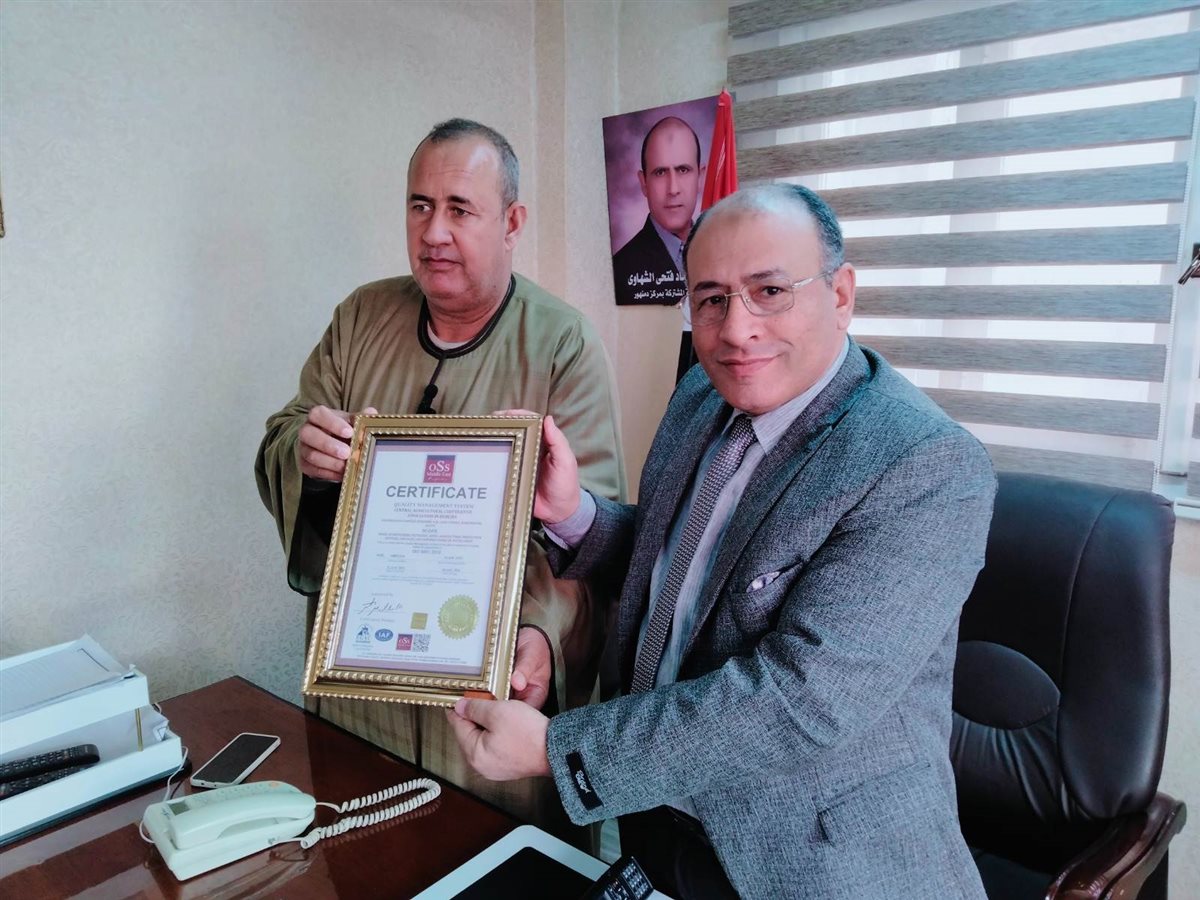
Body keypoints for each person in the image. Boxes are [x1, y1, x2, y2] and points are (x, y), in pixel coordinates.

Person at [448, 183, 995, 898]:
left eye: (769, 291)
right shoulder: (701, 396)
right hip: (658, 827)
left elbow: (799, 702)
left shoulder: (925, 464)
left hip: (808, 864)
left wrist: (561, 750)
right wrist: (574, 513)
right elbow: (681, 568)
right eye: (710, 299)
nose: (736, 330)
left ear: (840, 294)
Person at [254, 118, 626, 840]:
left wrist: (542, 634)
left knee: (487, 864)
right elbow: (288, 430)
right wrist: (305, 451)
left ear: (512, 223)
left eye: (460, 209)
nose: (434, 233)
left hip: (485, 699)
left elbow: (591, 525)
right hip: (364, 686)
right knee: (361, 857)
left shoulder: (561, 343)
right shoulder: (361, 317)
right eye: (420, 206)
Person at [611, 116, 704, 308]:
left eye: (683, 170)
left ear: (700, 177)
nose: (673, 189)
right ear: (644, 183)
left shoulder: (720, 253)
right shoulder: (619, 271)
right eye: (660, 172)